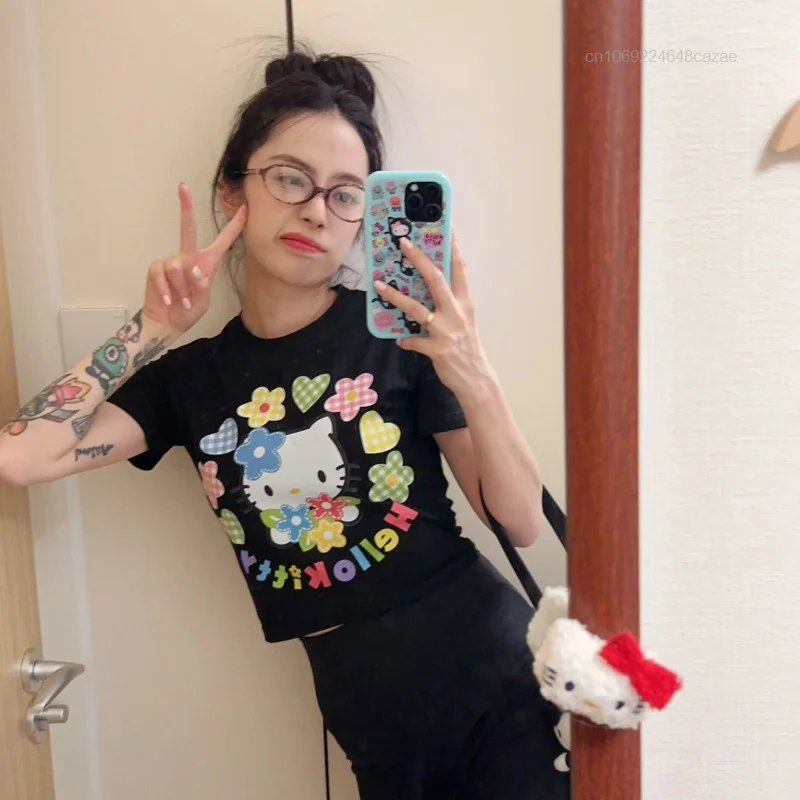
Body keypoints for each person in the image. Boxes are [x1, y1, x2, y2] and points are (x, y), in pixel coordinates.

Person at [0, 48, 570, 800]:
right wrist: (150, 328)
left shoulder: (400, 337)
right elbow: (22, 459)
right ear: (231, 190)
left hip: (499, 688)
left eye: (345, 194)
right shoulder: (189, 379)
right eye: (290, 178)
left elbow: (519, 521)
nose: (315, 211)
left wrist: (472, 367)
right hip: (370, 722)